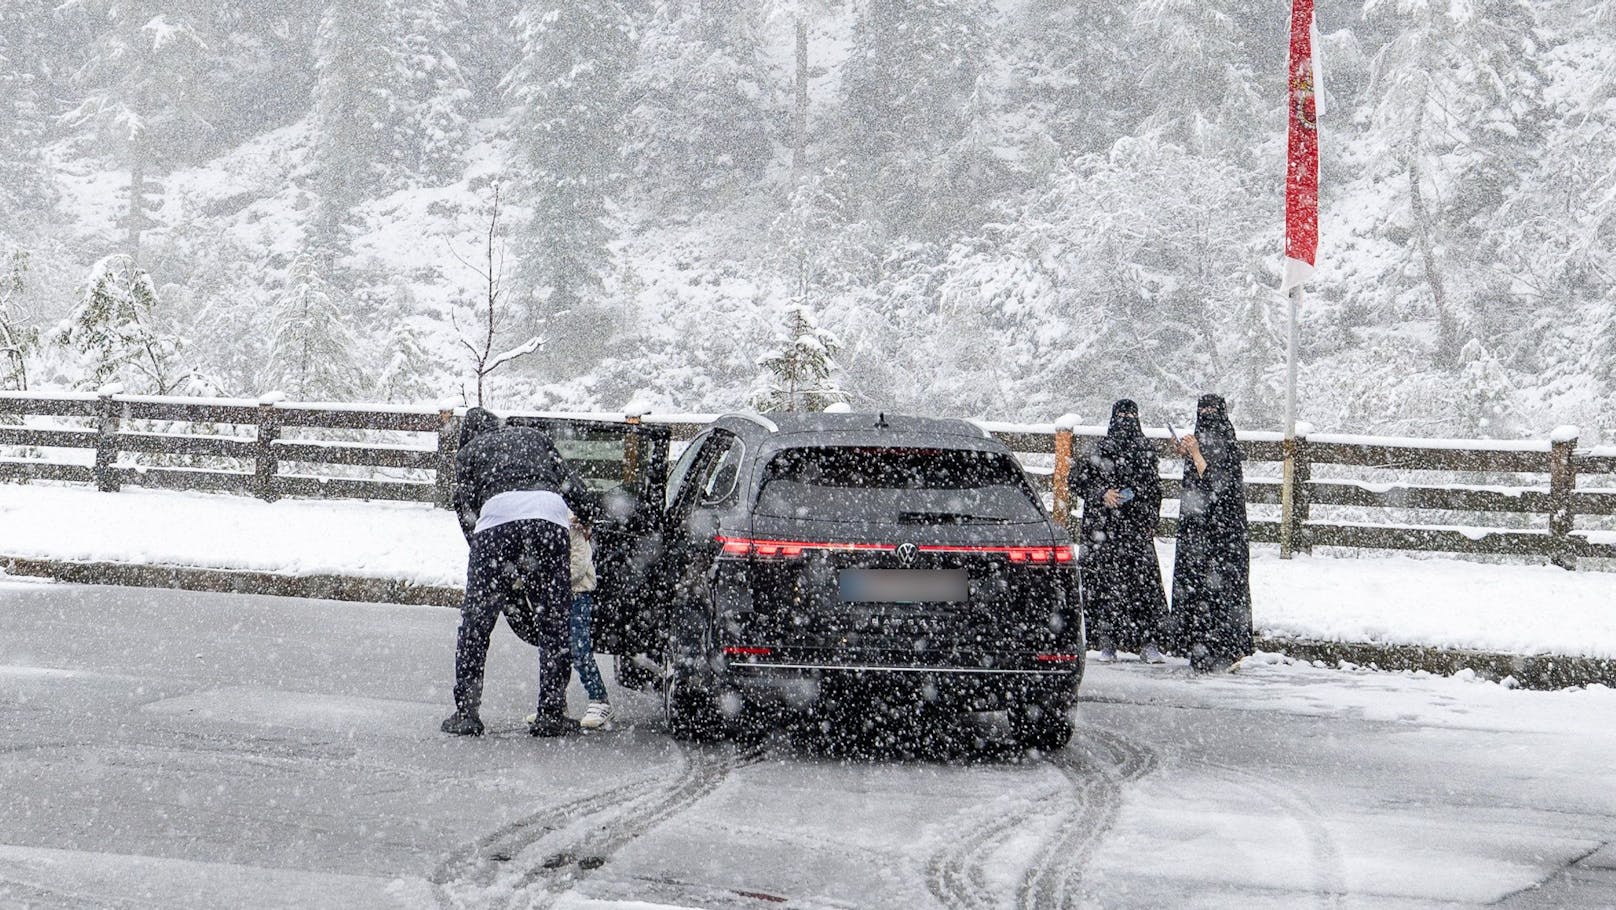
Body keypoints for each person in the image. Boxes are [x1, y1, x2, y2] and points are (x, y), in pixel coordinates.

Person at [441, 407, 600, 737]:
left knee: (476, 624)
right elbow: (572, 486)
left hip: (496, 523)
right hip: (548, 519)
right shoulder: (535, 437)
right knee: (554, 622)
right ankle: (550, 713)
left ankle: (467, 713)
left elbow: (467, 512)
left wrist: (493, 565)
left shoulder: (469, 452)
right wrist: (588, 515)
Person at [1078, 399, 1169, 663]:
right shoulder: (1098, 450)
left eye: (1131, 415)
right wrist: (1102, 493)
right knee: (1106, 587)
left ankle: (1148, 643)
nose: (1127, 420)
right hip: (1103, 531)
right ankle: (1107, 643)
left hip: (1135, 531)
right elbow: (1077, 480)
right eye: (1123, 415)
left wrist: (1147, 513)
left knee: (1143, 588)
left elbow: (1154, 490)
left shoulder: (1146, 451)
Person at [1170, 394, 1254, 673]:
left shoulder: (1226, 441)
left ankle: (1226, 650)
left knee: (1221, 591)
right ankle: (1200, 649)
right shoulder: (1202, 438)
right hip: (1199, 531)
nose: (1205, 414)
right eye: (1201, 409)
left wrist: (1196, 454)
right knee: (1198, 589)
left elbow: (1219, 484)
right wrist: (1187, 452)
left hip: (1223, 533)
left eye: (1210, 410)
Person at [564, 518, 614, 730]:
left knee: (578, 648)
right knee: (557, 650)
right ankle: (555, 700)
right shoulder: (552, 521)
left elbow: (579, 564)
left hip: (576, 593)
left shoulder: (570, 525)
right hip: (559, 594)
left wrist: (551, 581)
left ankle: (599, 698)